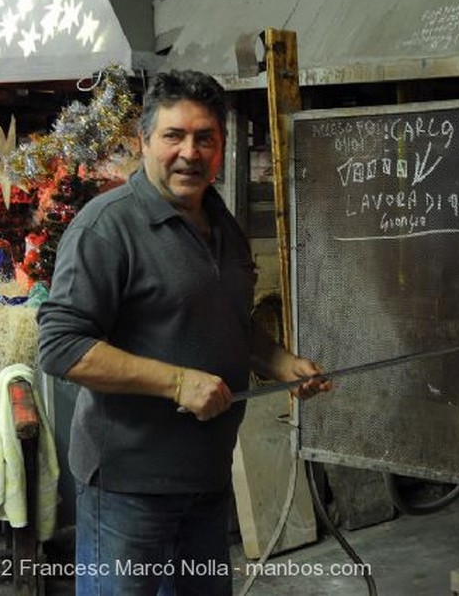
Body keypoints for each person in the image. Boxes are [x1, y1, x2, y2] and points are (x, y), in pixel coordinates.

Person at [38, 70, 330, 595]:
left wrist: (280, 362)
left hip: (205, 482)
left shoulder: (224, 224)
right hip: (129, 489)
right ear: (144, 142)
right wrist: (177, 383)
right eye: (174, 136)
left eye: (205, 138)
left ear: (220, 149)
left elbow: (228, 318)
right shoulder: (106, 229)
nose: (189, 153)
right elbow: (61, 347)